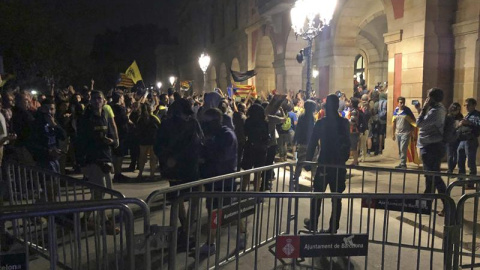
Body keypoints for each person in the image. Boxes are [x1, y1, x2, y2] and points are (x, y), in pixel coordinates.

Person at [197, 108, 245, 255]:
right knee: (227, 209)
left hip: (223, 179)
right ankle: (242, 234)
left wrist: (204, 155)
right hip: (214, 179)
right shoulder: (215, 134)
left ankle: (211, 243)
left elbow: (219, 157)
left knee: (219, 210)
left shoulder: (226, 135)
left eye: (206, 122)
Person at [304, 94, 350, 233]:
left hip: (324, 163)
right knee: (336, 198)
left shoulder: (321, 123)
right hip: (338, 165)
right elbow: (347, 143)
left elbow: (312, 144)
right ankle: (333, 227)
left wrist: (308, 161)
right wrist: (343, 159)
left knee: (317, 196)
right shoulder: (344, 123)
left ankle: (313, 223)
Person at [76, 90, 119, 234]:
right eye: (94, 98)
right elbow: (80, 141)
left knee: (103, 192)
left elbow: (111, 135)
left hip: (106, 157)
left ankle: (85, 218)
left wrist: (112, 141)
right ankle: (106, 223)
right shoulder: (86, 118)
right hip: (93, 159)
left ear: (104, 100)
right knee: (101, 192)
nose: (97, 101)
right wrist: (82, 163)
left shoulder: (104, 117)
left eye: (99, 98)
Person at [414, 88, 447, 216]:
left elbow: (419, 123)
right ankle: (426, 204)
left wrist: (423, 109)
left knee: (434, 177)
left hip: (432, 147)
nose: (426, 99)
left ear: (433, 98)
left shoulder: (436, 111)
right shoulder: (435, 110)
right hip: (428, 146)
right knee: (430, 177)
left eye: (428, 97)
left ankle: (447, 205)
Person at [29, 99, 66, 173]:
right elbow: (32, 142)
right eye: (46, 109)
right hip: (43, 159)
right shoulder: (36, 123)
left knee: (55, 180)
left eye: (52, 109)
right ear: (41, 109)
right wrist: (48, 151)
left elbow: (63, 136)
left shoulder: (54, 121)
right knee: (48, 181)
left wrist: (54, 125)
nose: (49, 112)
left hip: (54, 157)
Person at [241, 104, 269, 191]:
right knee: (258, 172)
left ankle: (243, 188)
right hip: (261, 148)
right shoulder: (264, 122)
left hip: (250, 146)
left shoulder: (248, 121)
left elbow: (245, 133)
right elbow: (266, 135)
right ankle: (256, 190)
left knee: (247, 171)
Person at [457, 98, 480, 188]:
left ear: (474, 105)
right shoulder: (467, 115)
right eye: (465, 105)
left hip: (471, 140)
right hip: (463, 139)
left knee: (470, 162)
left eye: (468, 105)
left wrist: (469, 123)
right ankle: (461, 179)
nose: (466, 107)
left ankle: (471, 182)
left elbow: (478, 125)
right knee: (460, 160)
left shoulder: (476, 115)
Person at [293, 100, 316, 182]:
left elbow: (298, 129)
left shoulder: (302, 117)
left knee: (300, 161)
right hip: (310, 143)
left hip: (302, 142)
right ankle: (314, 178)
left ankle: (296, 177)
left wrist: (295, 140)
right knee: (313, 162)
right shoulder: (311, 118)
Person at [136, 103, 161, 180]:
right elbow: (160, 128)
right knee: (153, 158)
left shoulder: (140, 119)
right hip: (153, 140)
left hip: (143, 141)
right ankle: (152, 174)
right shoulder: (155, 118)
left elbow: (137, 129)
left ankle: (140, 174)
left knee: (142, 158)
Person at [392, 97, 416, 169]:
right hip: (398, 133)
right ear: (397, 103)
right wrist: (393, 133)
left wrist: (412, 131)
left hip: (406, 133)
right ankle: (401, 162)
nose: (401, 104)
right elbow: (394, 122)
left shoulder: (407, 111)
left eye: (403, 102)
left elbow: (413, 121)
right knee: (400, 149)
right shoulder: (396, 111)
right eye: (400, 102)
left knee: (403, 148)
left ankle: (403, 164)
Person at [446, 103, 463, 173]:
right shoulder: (448, 117)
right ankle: (450, 169)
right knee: (450, 155)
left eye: (459, 109)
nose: (457, 111)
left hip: (457, 138)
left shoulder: (460, 116)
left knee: (456, 156)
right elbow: (448, 128)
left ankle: (452, 167)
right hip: (450, 138)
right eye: (456, 109)